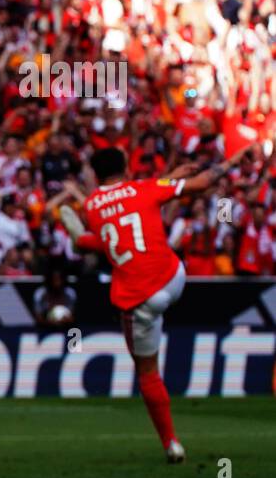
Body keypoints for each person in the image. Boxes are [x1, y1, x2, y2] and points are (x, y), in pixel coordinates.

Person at [58, 145, 251, 462]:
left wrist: (81, 241)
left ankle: (171, 443)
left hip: (139, 299)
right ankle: (81, 242)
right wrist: (230, 161)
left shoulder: (91, 205)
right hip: (174, 278)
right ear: (126, 168)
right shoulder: (144, 188)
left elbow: (117, 224)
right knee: (146, 237)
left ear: (94, 175)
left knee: (147, 371)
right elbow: (199, 184)